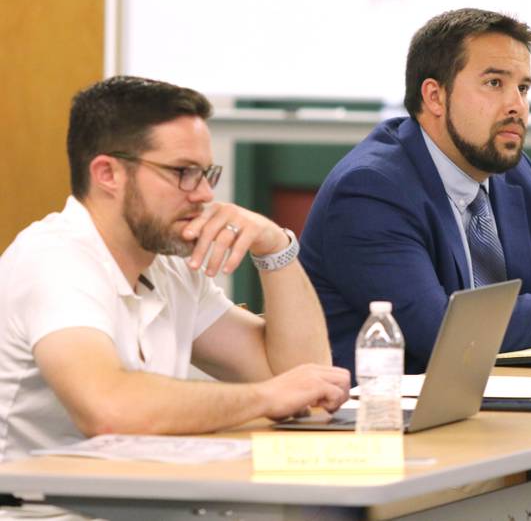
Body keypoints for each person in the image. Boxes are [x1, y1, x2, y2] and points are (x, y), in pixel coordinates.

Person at [300, 8, 531, 376]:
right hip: (381, 419)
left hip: (500, 401)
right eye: (495, 83)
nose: (517, 106)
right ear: (435, 96)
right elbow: (443, 333)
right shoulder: (371, 190)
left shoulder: (513, 174)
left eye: (523, 88)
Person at [0, 76, 350, 462]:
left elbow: (305, 378)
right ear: (107, 174)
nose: (203, 194)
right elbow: (108, 411)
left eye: (205, 173)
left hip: (142, 497)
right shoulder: (54, 260)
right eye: (182, 172)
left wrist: (274, 247)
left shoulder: (168, 267)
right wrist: (266, 398)